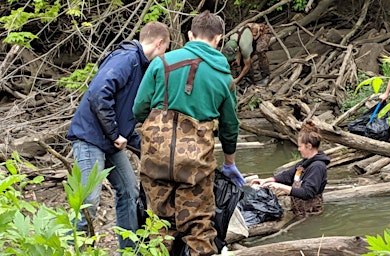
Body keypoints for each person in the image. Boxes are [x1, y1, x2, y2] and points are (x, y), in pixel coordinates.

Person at [132, 10, 244, 256]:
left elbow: (138, 108)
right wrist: (229, 162)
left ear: (190, 34)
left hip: (156, 156)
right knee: (199, 227)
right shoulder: (224, 78)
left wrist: (153, 129)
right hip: (195, 162)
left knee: (157, 224)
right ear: (219, 38)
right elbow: (229, 126)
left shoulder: (160, 63)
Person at [66, 21, 170, 250]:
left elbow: (125, 118)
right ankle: (62, 247)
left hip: (109, 141)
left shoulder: (140, 66)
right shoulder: (127, 59)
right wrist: (114, 133)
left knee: (129, 190)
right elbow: (97, 94)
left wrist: (152, 153)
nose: (163, 56)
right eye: (165, 49)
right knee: (89, 200)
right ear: (160, 43)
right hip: (90, 138)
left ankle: (128, 250)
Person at [250, 120, 330, 218]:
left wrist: (279, 186)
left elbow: (306, 193)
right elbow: (287, 175)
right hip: (299, 211)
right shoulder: (304, 163)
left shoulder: (317, 167)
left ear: (308, 146)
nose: (298, 149)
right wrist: (267, 180)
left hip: (311, 214)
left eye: (300, 146)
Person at [222, 22, 272, 87]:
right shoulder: (230, 40)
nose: (234, 60)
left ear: (237, 50)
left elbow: (247, 66)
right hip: (250, 32)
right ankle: (247, 78)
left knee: (259, 50)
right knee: (244, 58)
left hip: (262, 31)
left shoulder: (245, 47)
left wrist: (237, 79)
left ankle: (266, 76)